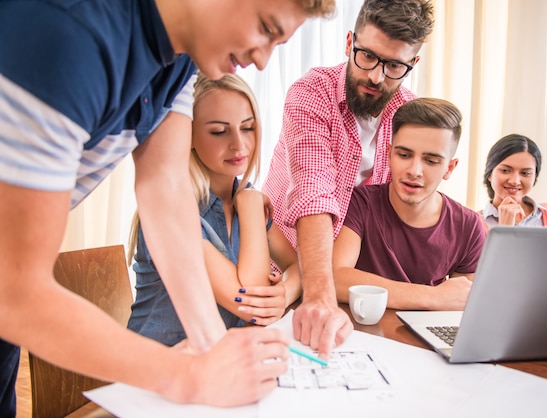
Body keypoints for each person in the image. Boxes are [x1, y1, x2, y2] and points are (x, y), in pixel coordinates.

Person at [0, 0, 335, 413]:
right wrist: (189, 376)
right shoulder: (68, 35)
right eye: (266, 28)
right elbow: (12, 291)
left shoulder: (180, 62)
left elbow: (164, 184)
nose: (263, 60)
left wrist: (214, 353)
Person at [262, 0, 435, 360]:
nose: (375, 76)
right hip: (283, 274)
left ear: (412, 65)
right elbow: (314, 189)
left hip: (350, 287)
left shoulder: (409, 115)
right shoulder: (312, 93)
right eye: (367, 56)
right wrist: (318, 295)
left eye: (393, 66)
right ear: (348, 43)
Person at [127, 73, 302, 345]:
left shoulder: (244, 197)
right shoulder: (174, 210)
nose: (239, 144)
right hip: (158, 369)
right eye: (219, 131)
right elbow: (250, 302)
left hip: (220, 362)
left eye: (247, 127)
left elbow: (298, 266)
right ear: (189, 135)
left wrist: (285, 294)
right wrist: (252, 206)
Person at [333, 98, 486, 311]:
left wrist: (439, 299)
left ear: (450, 168)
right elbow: (335, 278)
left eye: (431, 161)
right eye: (404, 155)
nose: (414, 171)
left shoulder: (468, 226)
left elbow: (460, 303)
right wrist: (432, 297)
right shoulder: (360, 203)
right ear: (388, 155)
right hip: (362, 336)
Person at [479, 133, 547, 230]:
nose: (514, 181)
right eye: (505, 171)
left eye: (525, 173)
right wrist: (505, 228)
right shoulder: (473, 223)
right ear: (489, 173)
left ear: (535, 177)